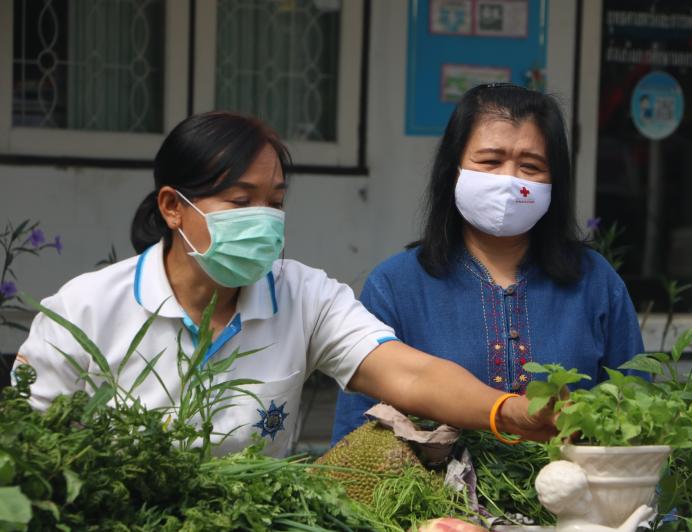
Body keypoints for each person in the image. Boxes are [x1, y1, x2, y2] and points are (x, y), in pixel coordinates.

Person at [13, 111, 557, 457]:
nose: (264, 218)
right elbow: (26, 446)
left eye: (275, 202)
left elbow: (409, 373)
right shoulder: (81, 312)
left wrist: (505, 411)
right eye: (240, 201)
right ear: (172, 208)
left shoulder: (303, 296)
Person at [332, 84, 644, 443]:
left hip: (579, 495)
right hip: (435, 496)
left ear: (555, 179)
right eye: (490, 161)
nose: (509, 181)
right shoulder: (395, 285)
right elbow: (355, 438)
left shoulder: (595, 282)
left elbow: (638, 419)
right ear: (454, 169)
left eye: (531, 165)